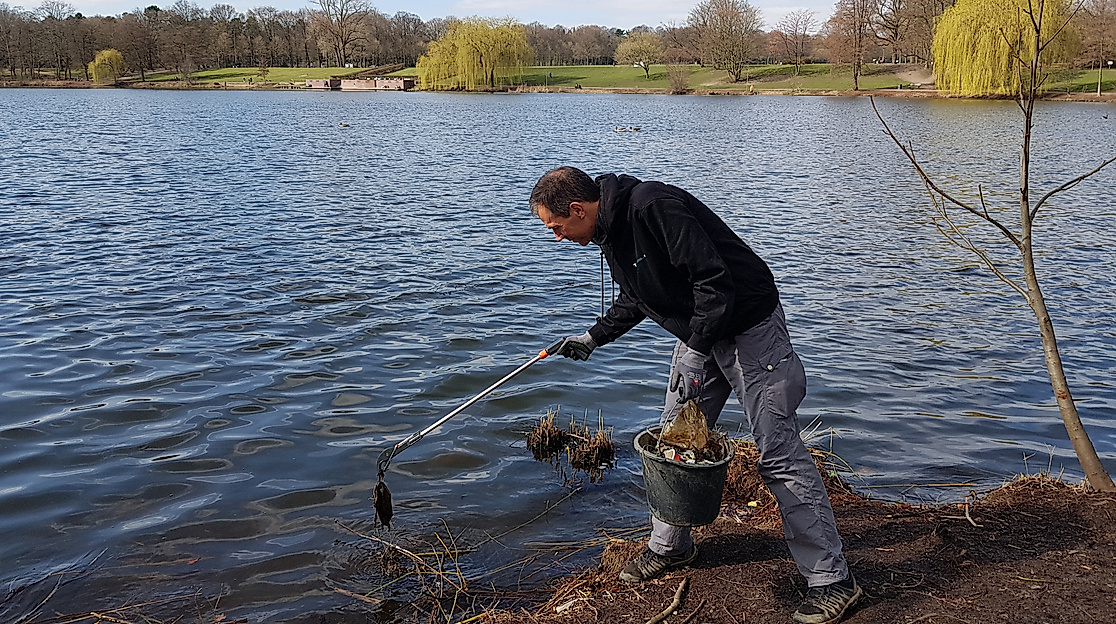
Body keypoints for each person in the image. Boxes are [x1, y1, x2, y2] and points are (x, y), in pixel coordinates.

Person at [529, 167, 861, 624]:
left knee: (777, 452)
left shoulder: (651, 206)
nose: (558, 237)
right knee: (672, 444)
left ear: (577, 209)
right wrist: (592, 338)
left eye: (556, 227)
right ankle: (671, 547)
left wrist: (697, 352)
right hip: (700, 330)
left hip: (749, 329)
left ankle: (832, 580)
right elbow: (638, 296)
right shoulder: (609, 230)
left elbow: (714, 282)